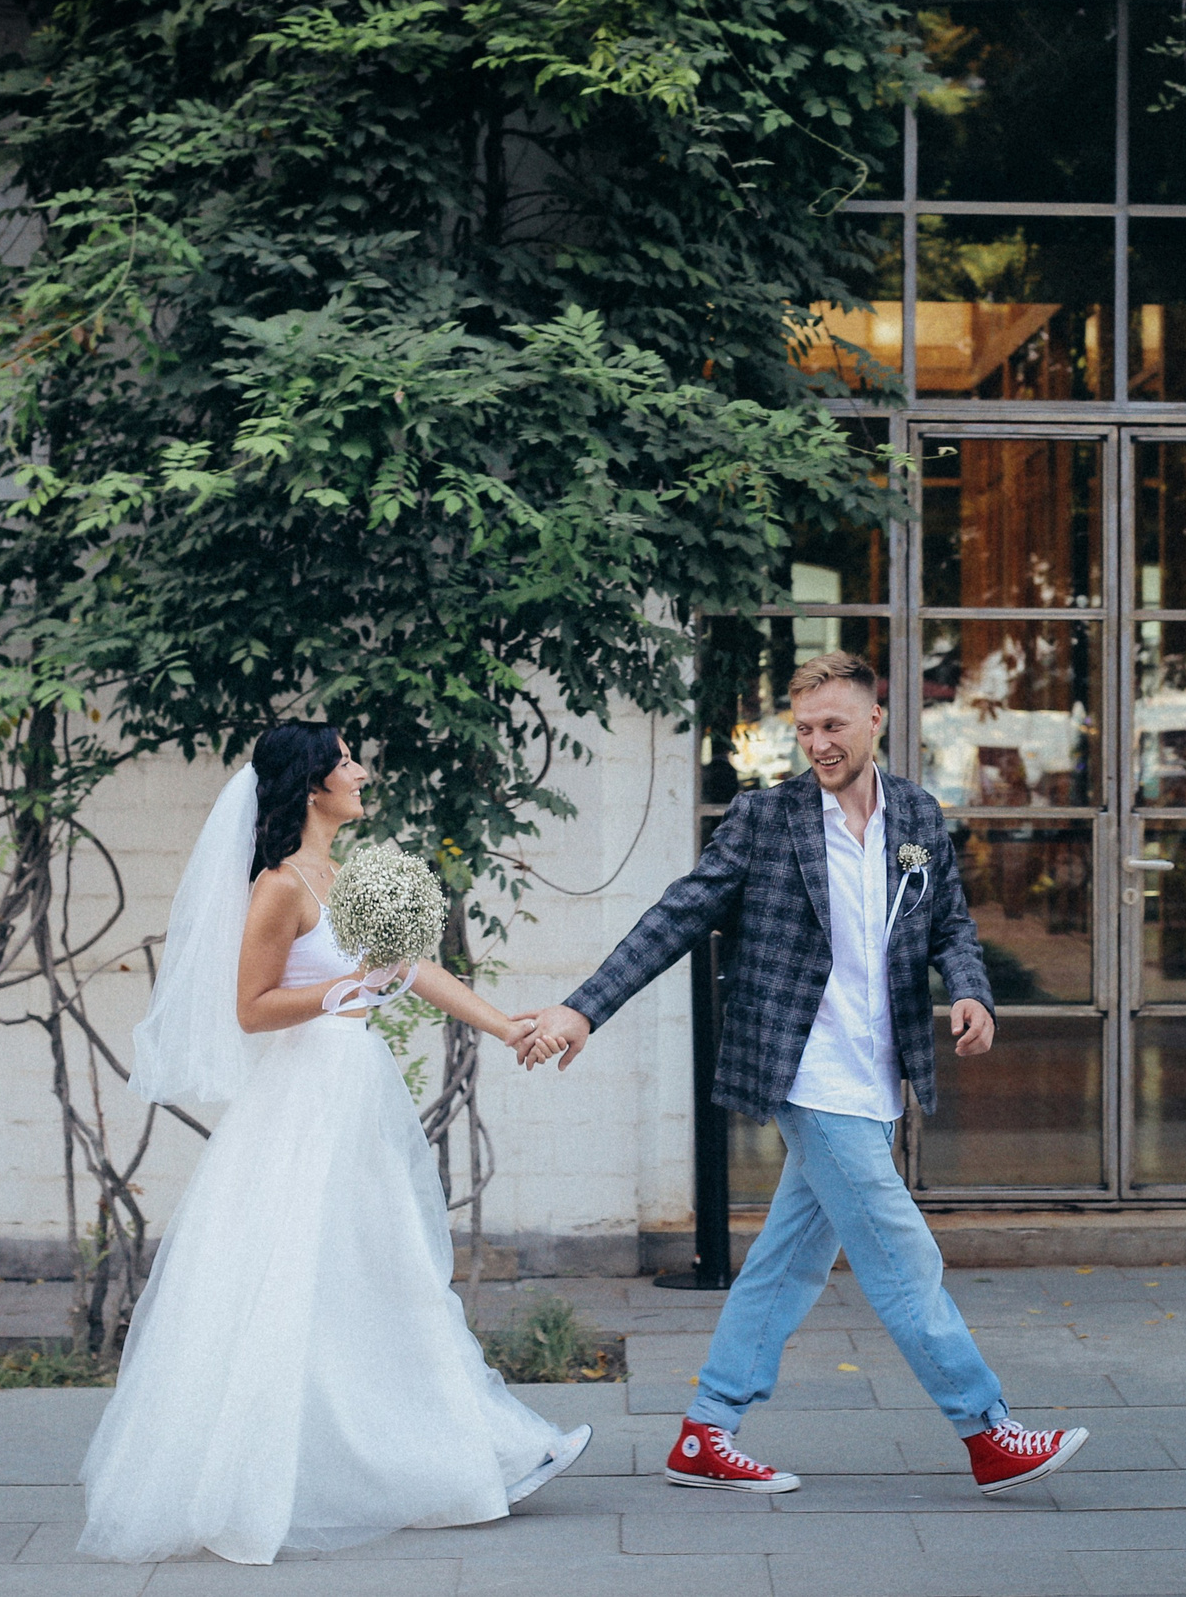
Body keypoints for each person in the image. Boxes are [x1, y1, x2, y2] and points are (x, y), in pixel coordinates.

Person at [523, 651, 1089, 1498]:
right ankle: (987, 1431)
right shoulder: (767, 818)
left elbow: (950, 925)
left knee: (786, 1266)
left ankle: (706, 1432)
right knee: (902, 1256)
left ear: (874, 720)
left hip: (878, 1076)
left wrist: (971, 991)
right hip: (807, 1074)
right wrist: (584, 1008)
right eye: (805, 730)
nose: (819, 743)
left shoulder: (916, 814)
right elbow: (678, 914)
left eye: (833, 726)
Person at [78, 721, 590, 1565]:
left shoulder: (347, 876)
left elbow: (412, 967)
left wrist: (507, 1028)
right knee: (314, 1282)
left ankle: (482, 1454)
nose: (360, 771)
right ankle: (312, 1471)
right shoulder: (280, 886)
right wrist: (342, 989)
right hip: (303, 1102)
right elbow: (251, 1008)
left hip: (354, 1091)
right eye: (346, 761)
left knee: (396, 1272)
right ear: (312, 785)